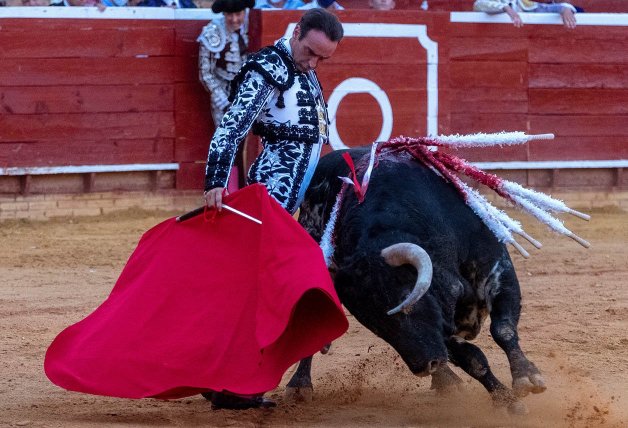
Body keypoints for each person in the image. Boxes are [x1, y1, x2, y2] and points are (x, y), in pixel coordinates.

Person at [204, 7, 343, 216]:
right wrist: (216, 180)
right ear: (297, 32)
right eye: (310, 52)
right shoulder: (269, 67)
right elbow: (231, 127)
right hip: (271, 191)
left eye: (322, 59)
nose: (313, 64)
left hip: (291, 196)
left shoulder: (301, 67)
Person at [198, 0, 254, 127]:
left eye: (238, 14)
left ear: (245, 12)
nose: (234, 19)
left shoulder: (254, 26)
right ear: (223, 13)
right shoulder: (213, 32)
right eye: (229, 14)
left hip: (251, 90)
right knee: (225, 138)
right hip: (224, 89)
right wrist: (222, 100)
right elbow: (205, 73)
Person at [473, 0, 578, 29]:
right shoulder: (485, 2)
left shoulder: (522, 3)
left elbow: (544, 8)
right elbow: (479, 4)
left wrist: (565, 8)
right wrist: (507, 8)